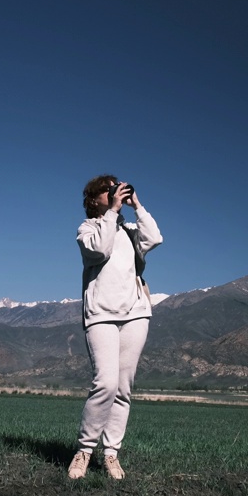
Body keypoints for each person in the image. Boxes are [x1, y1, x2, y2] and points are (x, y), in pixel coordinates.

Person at [68, 174, 162, 480]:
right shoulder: (89, 229)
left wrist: (136, 205)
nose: (115, 194)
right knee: (105, 384)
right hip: (100, 314)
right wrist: (112, 213)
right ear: (94, 199)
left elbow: (154, 239)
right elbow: (100, 251)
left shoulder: (129, 228)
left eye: (117, 189)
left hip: (135, 312)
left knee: (123, 388)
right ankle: (84, 450)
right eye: (109, 191)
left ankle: (111, 454)